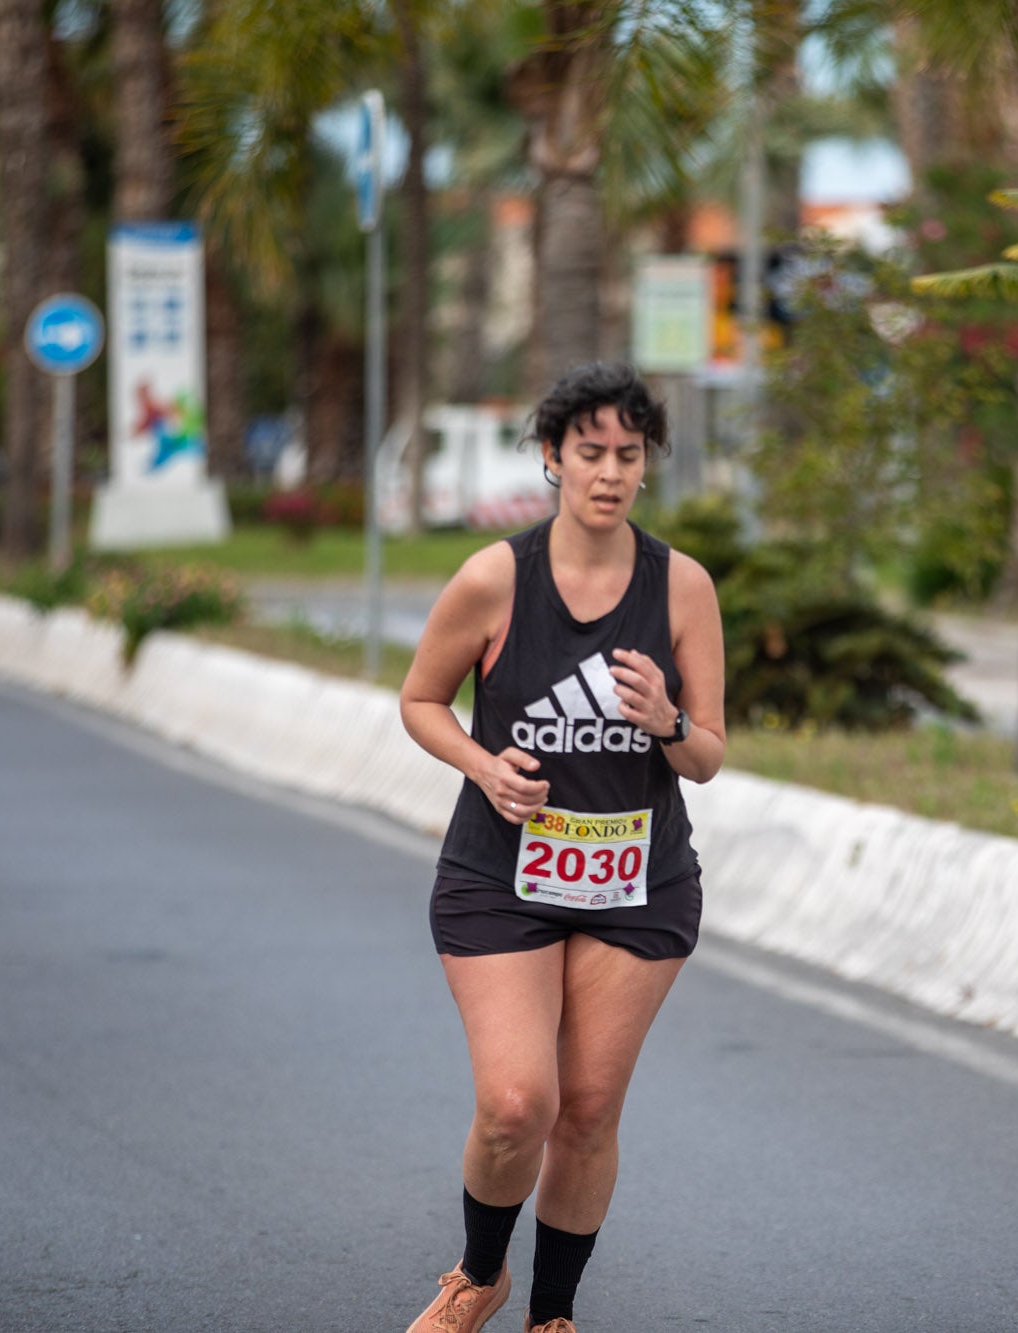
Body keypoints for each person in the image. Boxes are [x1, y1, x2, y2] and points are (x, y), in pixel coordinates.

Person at [397, 363, 726, 1333]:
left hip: (636, 881)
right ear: (551, 458)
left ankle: (551, 1314)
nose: (610, 473)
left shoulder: (680, 587)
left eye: (629, 454)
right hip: (500, 875)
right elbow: (421, 700)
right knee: (514, 1101)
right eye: (590, 453)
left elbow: (707, 754)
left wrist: (667, 720)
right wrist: (481, 765)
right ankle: (478, 1275)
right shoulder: (496, 578)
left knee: (583, 1108)